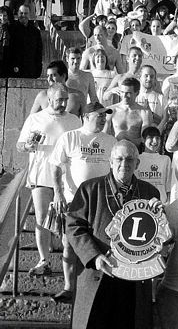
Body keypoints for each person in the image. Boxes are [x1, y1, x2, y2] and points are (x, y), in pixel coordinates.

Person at [66, 140, 160, 329]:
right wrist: (95, 256)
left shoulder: (150, 192)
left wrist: (160, 216)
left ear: (137, 164)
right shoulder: (90, 189)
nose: (123, 164)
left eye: (129, 160)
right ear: (110, 161)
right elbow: (73, 226)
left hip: (134, 279)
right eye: (118, 159)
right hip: (99, 272)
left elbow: (159, 234)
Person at [49, 101, 115, 304]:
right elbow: (55, 167)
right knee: (69, 245)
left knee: (102, 244)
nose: (104, 118)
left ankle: (99, 288)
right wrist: (58, 194)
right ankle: (69, 287)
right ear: (86, 117)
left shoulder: (111, 141)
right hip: (73, 202)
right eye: (99, 115)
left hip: (102, 203)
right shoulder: (70, 137)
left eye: (105, 115)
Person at [16, 83, 81, 276]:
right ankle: (43, 260)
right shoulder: (35, 118)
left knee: (65, 220)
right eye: (59, 100)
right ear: (49, 99)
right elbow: (20, 145)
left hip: (66, 179)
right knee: (42, 218)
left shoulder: (75, 120)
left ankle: (68, 262)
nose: (63, 103)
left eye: (65, 100)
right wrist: (27, 146)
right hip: (41, 175)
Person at [105, 77, 153, 148]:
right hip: (115, 150)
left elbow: (145, 139)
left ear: (137, 93)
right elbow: (104, 134)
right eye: (122, 92)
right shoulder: (111, 110)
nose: (124, 96)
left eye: (128, 93)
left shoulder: (144, 113)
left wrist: (127, 142)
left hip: (135, 150)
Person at [135, 126, 171, 205]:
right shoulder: (137, 159)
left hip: (160, 204)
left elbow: (169, 185)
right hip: (140, 204)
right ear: (143, 140)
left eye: (157, 138)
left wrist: (167, 204)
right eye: (150, 138)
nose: (154, 141)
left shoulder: (165, 159)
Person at [7, 5, 42, 78]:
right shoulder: (11, 29)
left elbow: (38, 52)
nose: (23, 15)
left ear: (29, 14)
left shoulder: (35, 32)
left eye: (26, 13)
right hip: (14, 70)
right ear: (18, 13)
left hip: (30, 70)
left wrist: (38, 69)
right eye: (21, 13)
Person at [0, 6, 12, 78]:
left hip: (8, 57)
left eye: (5, 15)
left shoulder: (12, 28)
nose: (2, 18)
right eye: (0, 15)